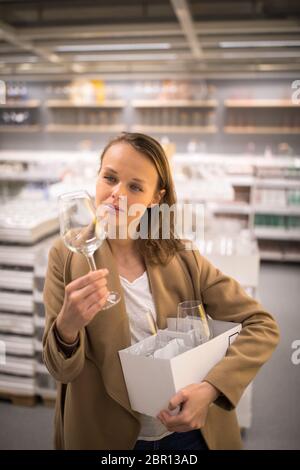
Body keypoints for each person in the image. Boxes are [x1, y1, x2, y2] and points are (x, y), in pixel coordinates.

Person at [43, 132, 279, 450]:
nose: (116, 194)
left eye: (135, 187)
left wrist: (210, 389)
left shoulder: (183, 256)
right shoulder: (66, 256)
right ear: (96, 177)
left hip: (188, 433)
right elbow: (60, 369)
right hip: (107, 436)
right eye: (109, 178)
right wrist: (67, 327)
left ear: (156, 197)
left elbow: (262, 325)